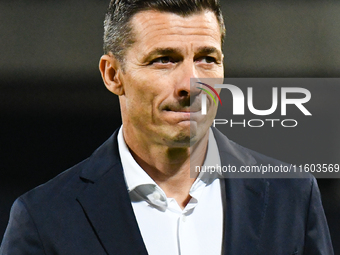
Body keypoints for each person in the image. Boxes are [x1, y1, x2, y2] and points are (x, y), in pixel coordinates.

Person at [0, 0, 333, 254]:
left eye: (207, 58)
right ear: (113, 75)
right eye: (164, 59)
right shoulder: (44, 218)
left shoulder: (291, 195)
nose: (191, 83)